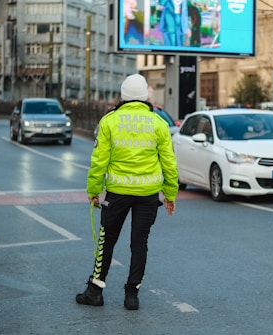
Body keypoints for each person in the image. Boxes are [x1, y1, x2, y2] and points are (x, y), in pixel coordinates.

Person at [76, 74, 179, 310]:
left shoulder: (109, 121)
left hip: (117, 194)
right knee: (139, 243)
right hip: (148, 195)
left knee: (107, 240)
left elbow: (99, 161)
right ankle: (132, 295)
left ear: (123, 95)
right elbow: (170, 164)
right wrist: (170, 195)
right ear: (145, 96)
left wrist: (94, 190)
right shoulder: (159, 123)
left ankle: (95, 292)